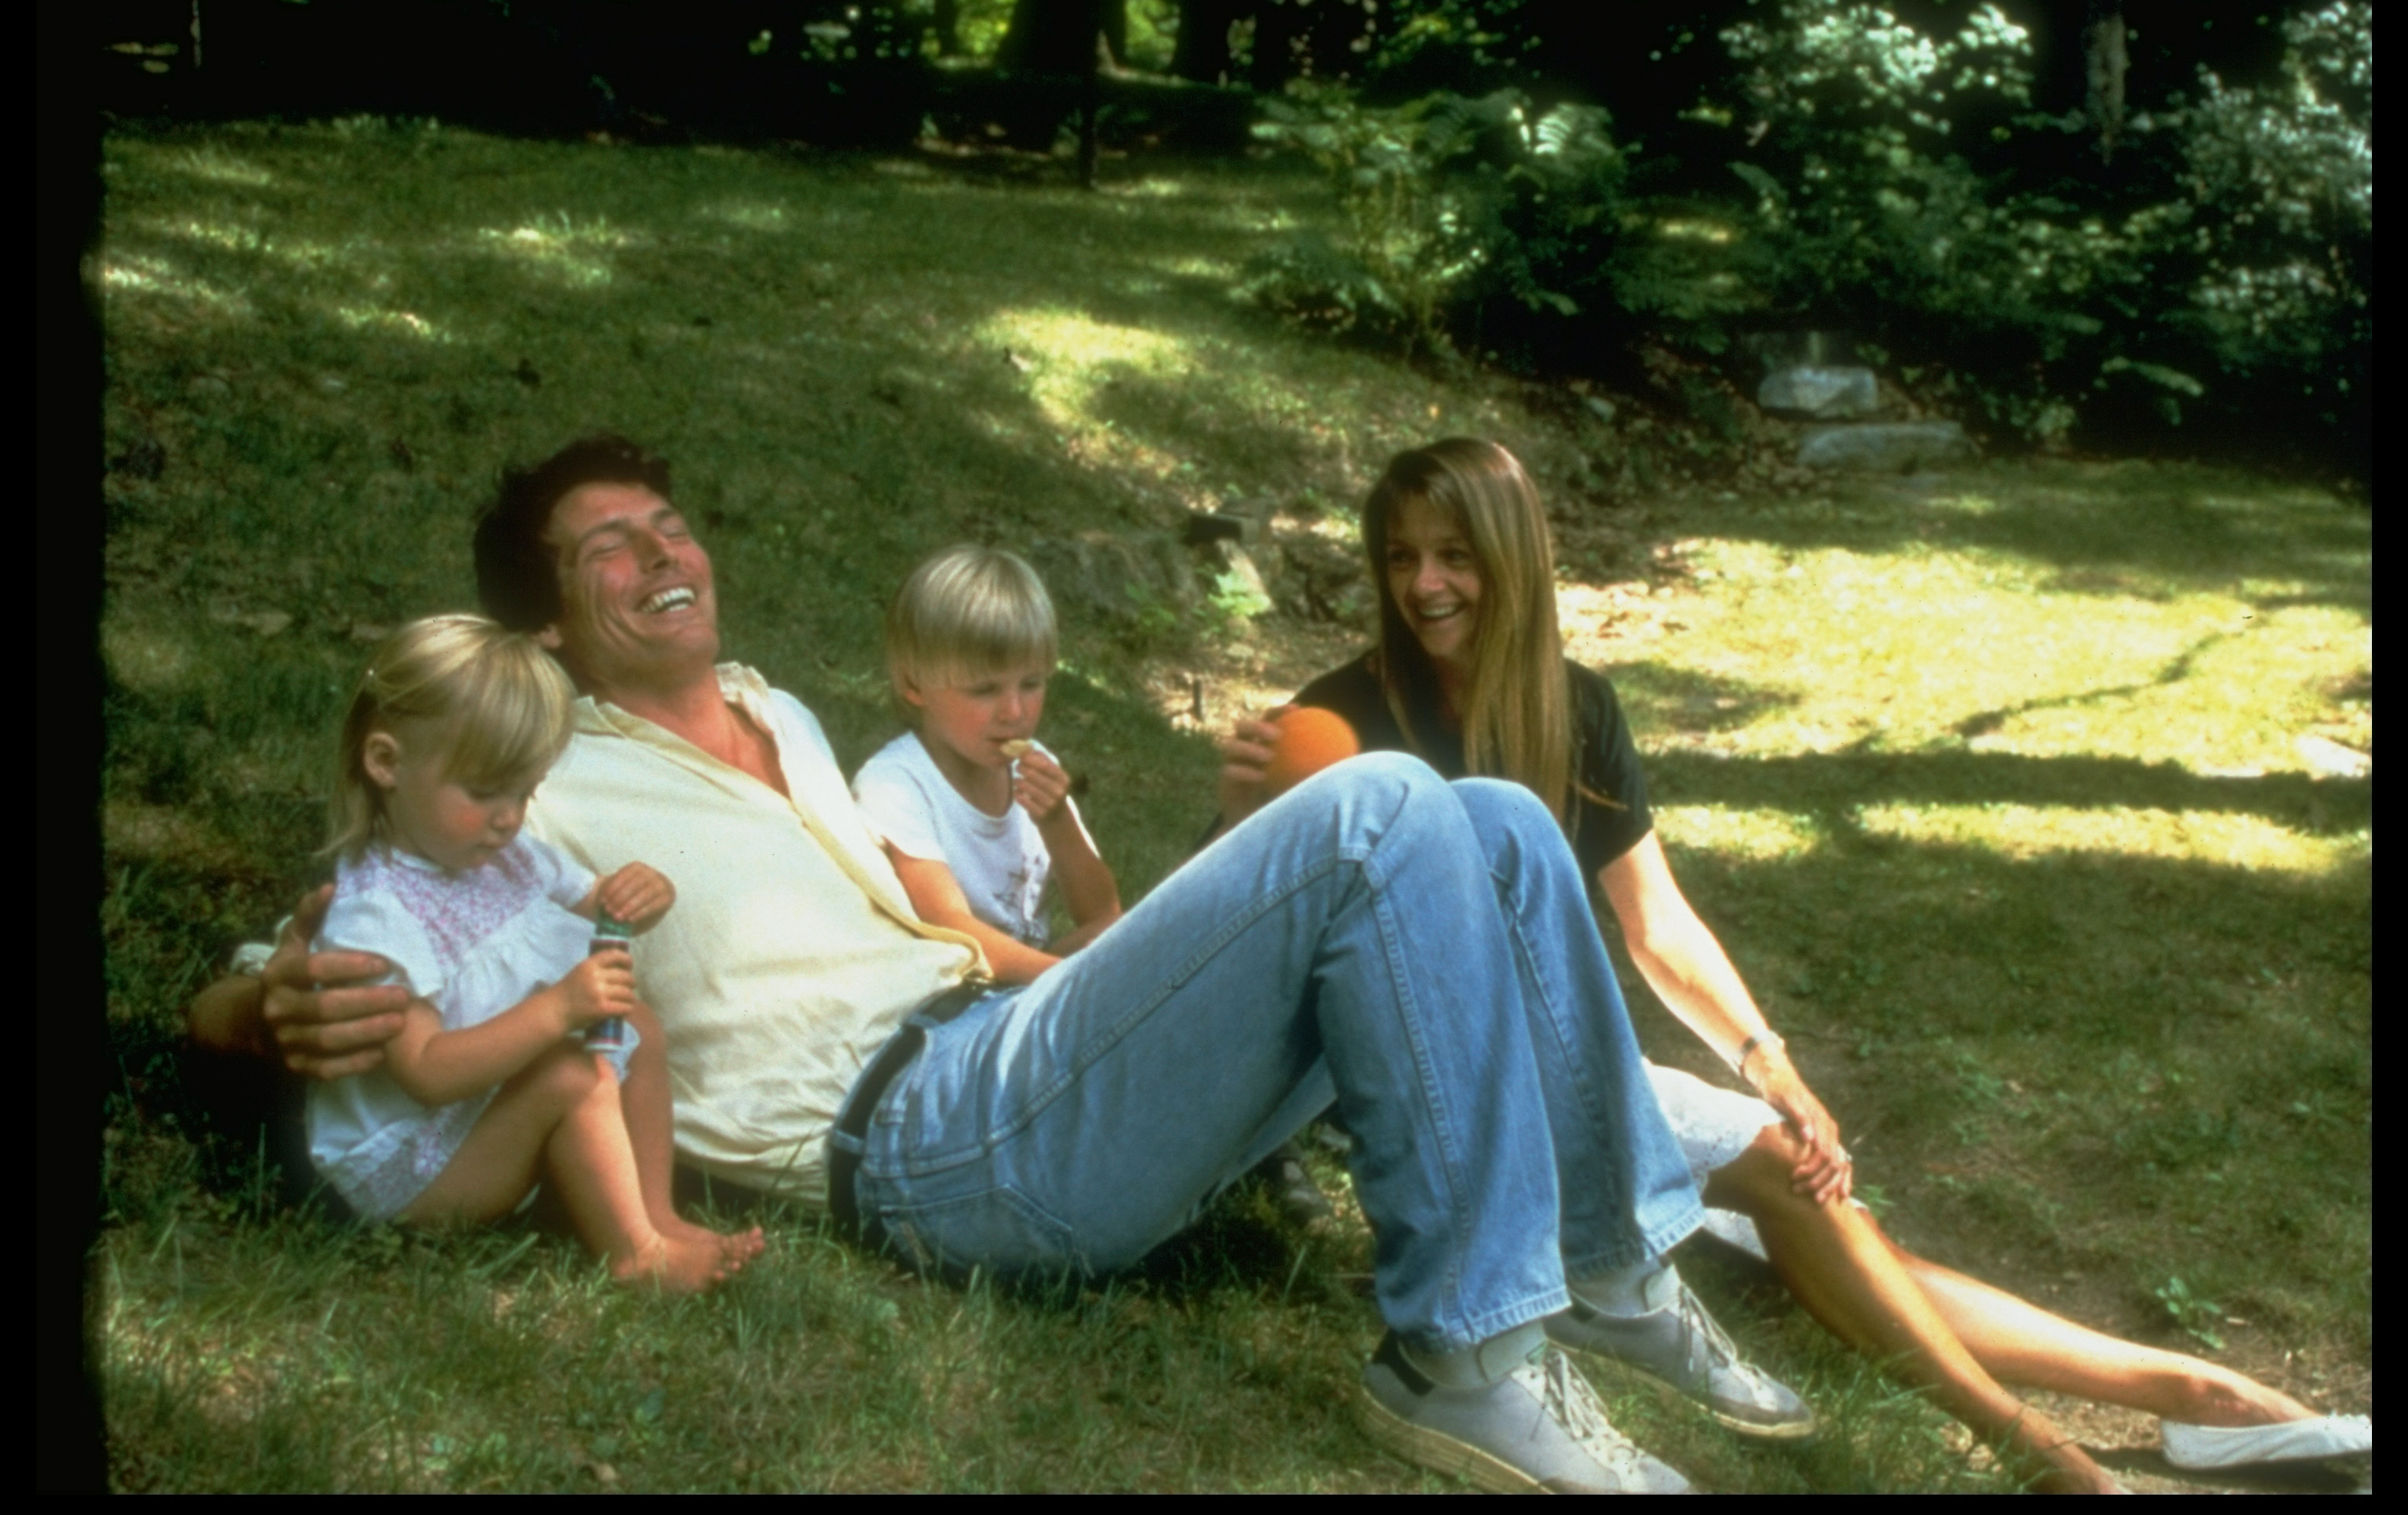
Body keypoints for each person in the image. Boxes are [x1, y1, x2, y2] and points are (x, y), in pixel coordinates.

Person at [188, 432, 1818, 1494]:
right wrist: (266, 1002)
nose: (659, 548)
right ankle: (1464, 1354)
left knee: (1497, 823)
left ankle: (1604, 1260)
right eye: (605, 546)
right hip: (923, 1140)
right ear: (542, 625)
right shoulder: (533, 768)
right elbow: (296, 952)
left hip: (1010, 1049)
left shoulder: (784, 710)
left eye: (669, 519)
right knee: (1384, 806)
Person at [1215, 437, 2370, 1492]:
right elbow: (1274, 950)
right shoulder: (1341, 722)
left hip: (1570, 1074)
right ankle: (2048, 1455)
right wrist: (1240, 815)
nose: (1426, 586)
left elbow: (1658, 927)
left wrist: (1768, 1058)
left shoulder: (1577, 710)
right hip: (1453, 1092)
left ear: (1512, 561)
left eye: (1456, 555)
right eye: (1404, 556)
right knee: (1783, 1183)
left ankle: (2193, 1396)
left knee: (1822, 1226)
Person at [306, 614, 762, 1293]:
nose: (509, 816)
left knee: (637, 1024)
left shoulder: (505, 857)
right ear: (386, 763)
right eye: (486, 791)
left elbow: (598, 899)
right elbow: (426, 1072)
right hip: (414, 1165)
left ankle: (657, 1215)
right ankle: (636, 1255)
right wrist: (556, 1010)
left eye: (525, 792)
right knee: (572, 1074)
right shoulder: (378, 916)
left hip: (482, 1117)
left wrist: (641, 894)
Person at [854, 546, 1120, 983]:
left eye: (1032, 684)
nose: (1014, 711)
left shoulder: (1034, 766)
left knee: (1125, 937)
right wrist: (1063, 986)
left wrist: (1057, 822)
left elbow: (1102, 913)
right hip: (950, 1000)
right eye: (984, 690)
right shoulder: (896, 785)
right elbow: (948, 927)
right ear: (913, 683)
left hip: (1027, 984)